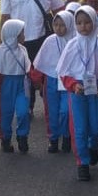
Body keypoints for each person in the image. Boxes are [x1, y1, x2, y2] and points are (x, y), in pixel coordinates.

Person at [0, 0, 64, 113]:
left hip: (43, 39)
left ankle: (50, 108)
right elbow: (5, 17)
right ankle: (27, 107)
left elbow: (59, 10)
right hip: (19, 42)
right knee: (23, 77)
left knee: (44, 76)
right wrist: (3, 43)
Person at [56, 6, 98, 181]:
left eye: (87, 22)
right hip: (78, 91)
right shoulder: (72, 45)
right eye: (79, 23)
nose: (83, 26)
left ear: (94, 22)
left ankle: (93, 146)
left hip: (97, 89)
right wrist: (73, 85)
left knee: (96, 126)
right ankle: (82, 162)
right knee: (79, 128)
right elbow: (63, 72)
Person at [0, 19, 32, 154]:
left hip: (22, 85)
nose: (24, 36)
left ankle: (22, 136)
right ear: (13, 34)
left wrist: (36, 79)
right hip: (6, 86)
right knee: (5, 114)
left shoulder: (23, 50)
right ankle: (6, 138)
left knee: (23, 112)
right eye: (22, 33)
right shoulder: (0, 52)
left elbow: (28, 68)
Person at [32, 11, 76, 153]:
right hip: (51, 80)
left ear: (69, 25)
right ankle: (53, 139)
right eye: (56, 25)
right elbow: (40, 61)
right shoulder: (50, 40)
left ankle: (67, 136)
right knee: (52, 111)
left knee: (66, 111)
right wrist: (36, 79)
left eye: (62, 25)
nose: (58, 28)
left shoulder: (75, 40)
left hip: (68, 80)